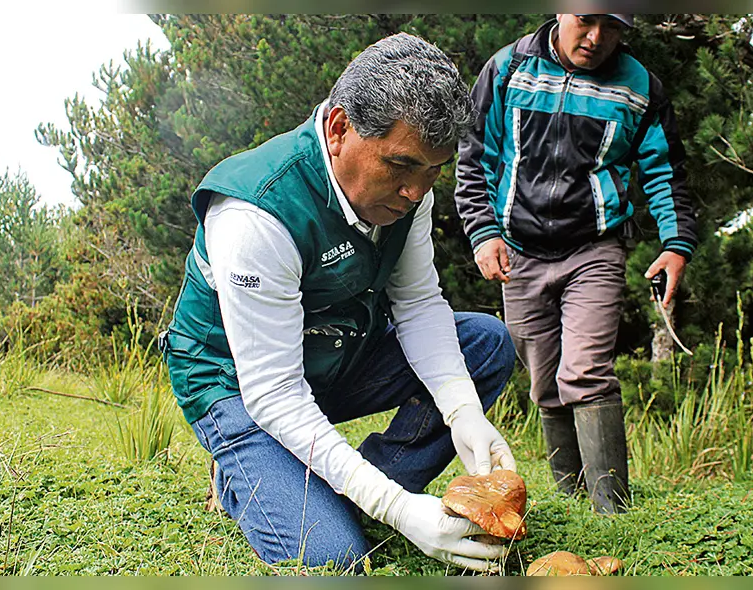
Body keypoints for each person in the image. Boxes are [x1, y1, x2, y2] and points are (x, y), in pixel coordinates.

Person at [161, 32, 518, 573]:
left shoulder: (406, 191)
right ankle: (245, 476)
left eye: (432, 172)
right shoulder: (256, 216)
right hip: (238, 382)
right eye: (400, 166)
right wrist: (398, 508)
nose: (416, 193)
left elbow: (419, 304)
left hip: (332, 354)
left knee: (485, 345)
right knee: (334, 558)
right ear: (338, 128)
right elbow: (276, 392)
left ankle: (349, 496)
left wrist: (463, 411)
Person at [455, 14, 697, 514]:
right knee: (544, 384)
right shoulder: (507, 68)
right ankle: (572, 503)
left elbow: (664, 171)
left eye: (611, 28)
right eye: (586, 22)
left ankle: (612, 511)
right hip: (518, 251)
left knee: (585, 372)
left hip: (595, 248)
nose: (595, 39)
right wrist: (483, 234)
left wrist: (676, 244)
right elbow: (474, 155)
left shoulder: (639, 87)